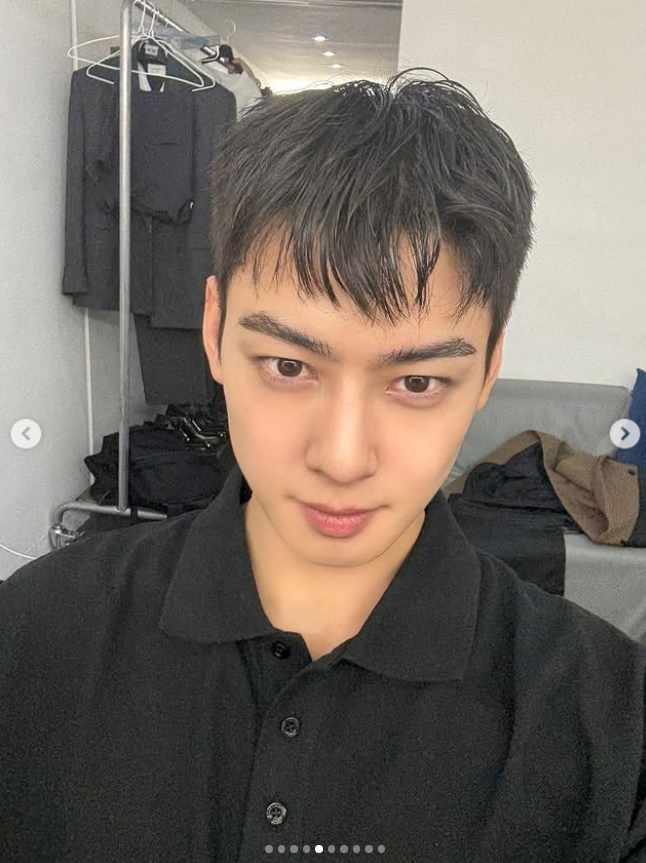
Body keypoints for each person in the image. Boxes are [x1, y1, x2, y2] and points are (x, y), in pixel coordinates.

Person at [2, 69, 646, 862]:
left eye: (417, 382)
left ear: (487, 370)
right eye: (288, 366)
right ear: (214, 331)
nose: (342, 458)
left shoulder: (613, 730)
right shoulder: (34, 635)